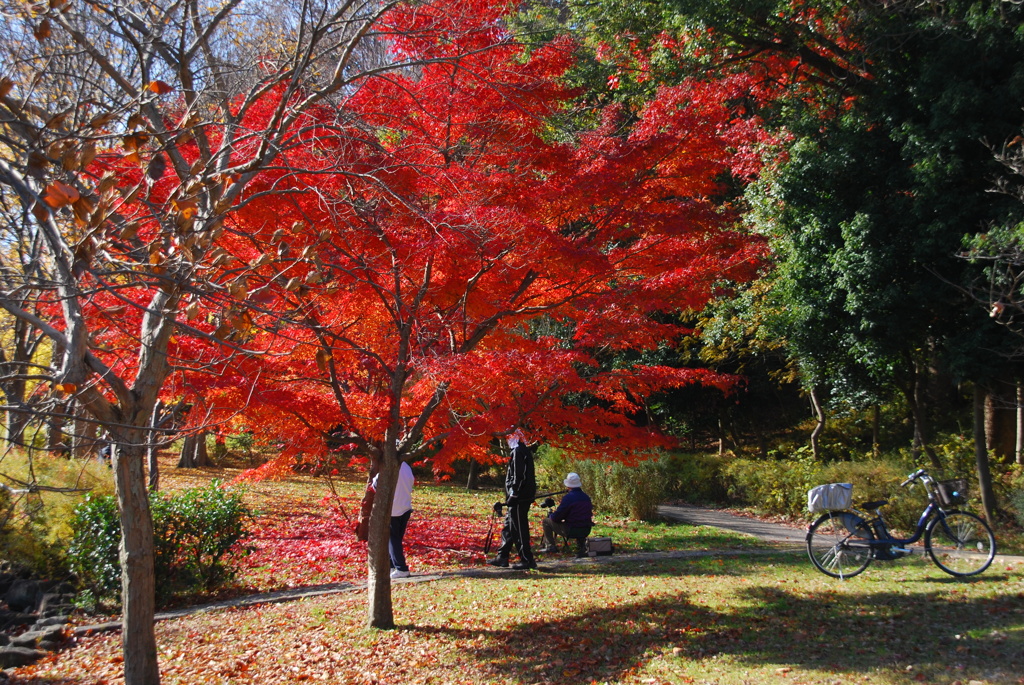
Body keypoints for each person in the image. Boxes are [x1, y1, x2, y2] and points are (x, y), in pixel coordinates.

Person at [487, 428, 537, 570]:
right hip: (520, 496)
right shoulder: (523, 451)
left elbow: (518, 475)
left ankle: (527, 559)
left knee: (519, 528)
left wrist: (514, 493)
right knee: (509, 525)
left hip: (519, 497)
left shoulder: (518, 452)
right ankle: (502, 556)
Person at [371, 461, 415, 579]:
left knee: (392, 539)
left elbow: (375, 484)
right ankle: (391, 565)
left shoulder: (389, 465)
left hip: (392, 508)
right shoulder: (407, 466)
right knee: (396, 539)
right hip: (405, 506)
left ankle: (401, 568)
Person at [539, 472, 594, 556]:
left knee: (546, 521)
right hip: (586, 529)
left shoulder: (568, 498)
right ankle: (581, 544)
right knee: (578, 521)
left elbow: (557, 517)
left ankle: (550, 546)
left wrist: (551, 516)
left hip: (571, 530)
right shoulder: (586, 497)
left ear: (568, 485)